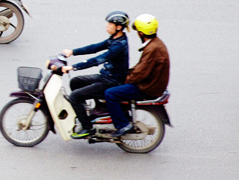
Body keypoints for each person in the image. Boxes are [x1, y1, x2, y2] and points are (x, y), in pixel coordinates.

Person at [60, 11, 130, 139]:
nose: (107, 26)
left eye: (110, 24)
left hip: (111, 82)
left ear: (118, 27)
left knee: (74, 97)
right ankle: (84, 113)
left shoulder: (119, 45)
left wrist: (73, 67)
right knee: (75, 82)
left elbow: (99, 59)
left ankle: (87, 128)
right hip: (106, 77)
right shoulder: (114, 39)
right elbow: (95, 47)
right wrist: (72, 52)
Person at [104, 14, 170, 138]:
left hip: (147, 87)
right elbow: (141, 67)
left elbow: (140, 72)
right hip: (152, 83)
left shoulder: (152, 49)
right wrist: (128, 73)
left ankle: (122, 125)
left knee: (110, 93)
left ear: (140, 33)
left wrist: (126, 79)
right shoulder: (156, 44)